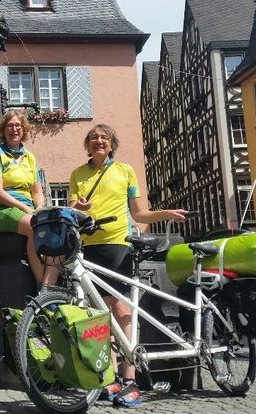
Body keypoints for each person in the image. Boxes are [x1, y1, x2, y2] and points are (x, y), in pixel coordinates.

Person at [70, 124, 186, 407]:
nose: (99, 141)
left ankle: (130, 379)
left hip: (118, 246)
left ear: (112, 145)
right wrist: (78, 208)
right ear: (87, 145)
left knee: (121, 311)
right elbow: (72, 208)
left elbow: (139, 213)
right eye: (94, 138)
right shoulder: (77, 174)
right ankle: (108, 378)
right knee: (98, 316)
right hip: (89, 248)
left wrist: (165, 213)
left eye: (104, 138)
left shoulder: (125, 171)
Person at [0, 110, 47, 284]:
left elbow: (37, 191)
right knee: (34, 227)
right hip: (1, 209)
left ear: (23, 129)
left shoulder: (30, 157)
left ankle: (51, 283)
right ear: (3, 130)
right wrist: (26, 209)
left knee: (53, 228)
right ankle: (42, 286)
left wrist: (39, 207)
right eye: (10, 126)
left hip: (27, 210)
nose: (14, 129)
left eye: (18, 126)